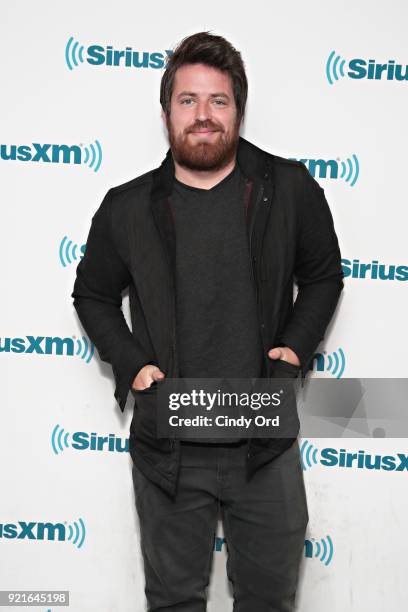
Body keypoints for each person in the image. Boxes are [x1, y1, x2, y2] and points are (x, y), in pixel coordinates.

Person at [71, 31, 344, 612]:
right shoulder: (127, 207)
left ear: (238, 110)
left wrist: (293, 349)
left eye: (218, 101)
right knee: (173, 602)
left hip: (263, 439)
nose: (203, 116)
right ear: (166, 110)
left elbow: (323, 276)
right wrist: (134, 364)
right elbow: (92, 294)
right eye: (188, 100)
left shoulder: (289, 188)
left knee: (269, 601)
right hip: (168, 442)